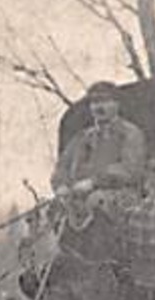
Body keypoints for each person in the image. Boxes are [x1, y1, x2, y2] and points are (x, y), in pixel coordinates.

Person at [50, 82, 148, 211]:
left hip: (122, 195)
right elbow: (62, 166)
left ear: (117, 104)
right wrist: (61, 185)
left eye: (105, 101)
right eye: (94, 102)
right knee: (52, 211)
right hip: (79, 196)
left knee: (96, 202)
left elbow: (129, 169)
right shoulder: (82, 137)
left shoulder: (130, 134)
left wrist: (93, 182)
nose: (99, 107)